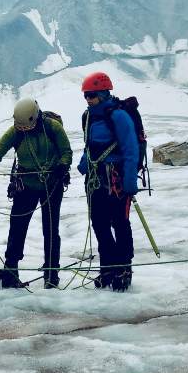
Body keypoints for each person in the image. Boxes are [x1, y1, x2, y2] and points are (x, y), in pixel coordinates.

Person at [0, 97, 72, 288]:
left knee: (50, 229)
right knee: (17, 227)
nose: (22, 130)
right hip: (26, 185)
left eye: (25, 127)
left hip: (52, 185)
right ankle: (11, 271)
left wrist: (62, 166)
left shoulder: (52, 128)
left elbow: (66, 152)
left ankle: (51, 273)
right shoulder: (17, 130)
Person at [76, 72, 139, 291]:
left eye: (91, 95)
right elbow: (90, 146)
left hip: (116, 179)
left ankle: (123, 269)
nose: (88, 99)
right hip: (96, 178)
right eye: (85, 96)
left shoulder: (119, 116)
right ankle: (108, 268)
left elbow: (131, 149)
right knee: (100, 224)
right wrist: (84, 165)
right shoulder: (88, 117)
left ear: (103, 93)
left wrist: (130, 182)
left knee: (120, 224)